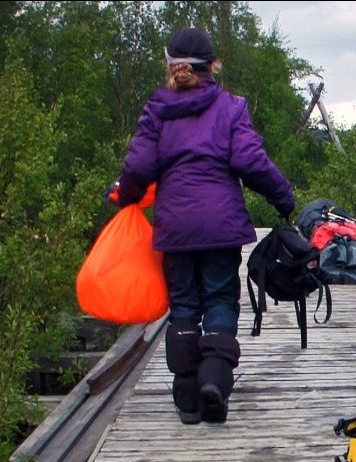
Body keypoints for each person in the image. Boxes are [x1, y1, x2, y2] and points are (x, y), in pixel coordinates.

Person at [110, 27, 295, 424]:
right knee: (220, 301)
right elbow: (251, 163)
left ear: (172, 67)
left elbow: (139, 167)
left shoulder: (156, 110)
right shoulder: (230, 108)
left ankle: (187, 399)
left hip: (175, 229)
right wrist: (284, 198)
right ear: (212, 66)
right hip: (220, 227)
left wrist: (125, 196)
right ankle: (215, 380)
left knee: (185, 307)